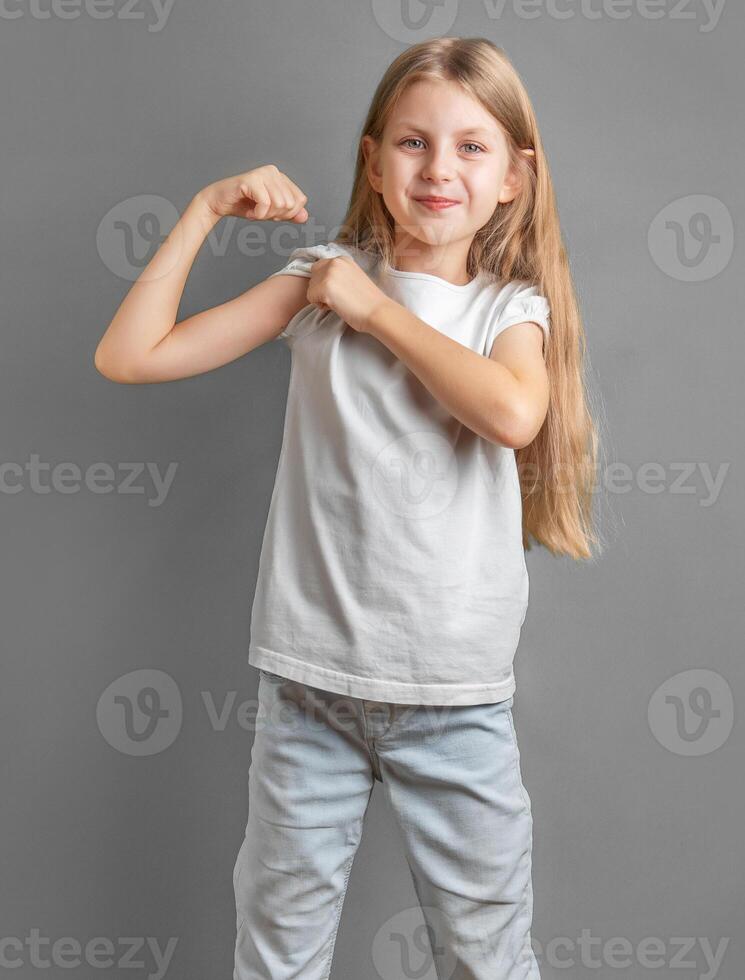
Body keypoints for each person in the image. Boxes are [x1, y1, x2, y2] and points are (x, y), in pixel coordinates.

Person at [95, 35, 601, 980]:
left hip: (453, 700)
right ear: (372, 160)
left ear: (513, 180)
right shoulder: (318, 280)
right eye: (411, 143)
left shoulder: (505, 309)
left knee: (486, 955)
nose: (438, 168)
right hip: (307, 688)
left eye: (470, 148)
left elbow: (510, 412)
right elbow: (131, 355)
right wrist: (205, 208)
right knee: (277, 948)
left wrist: (372, 309)